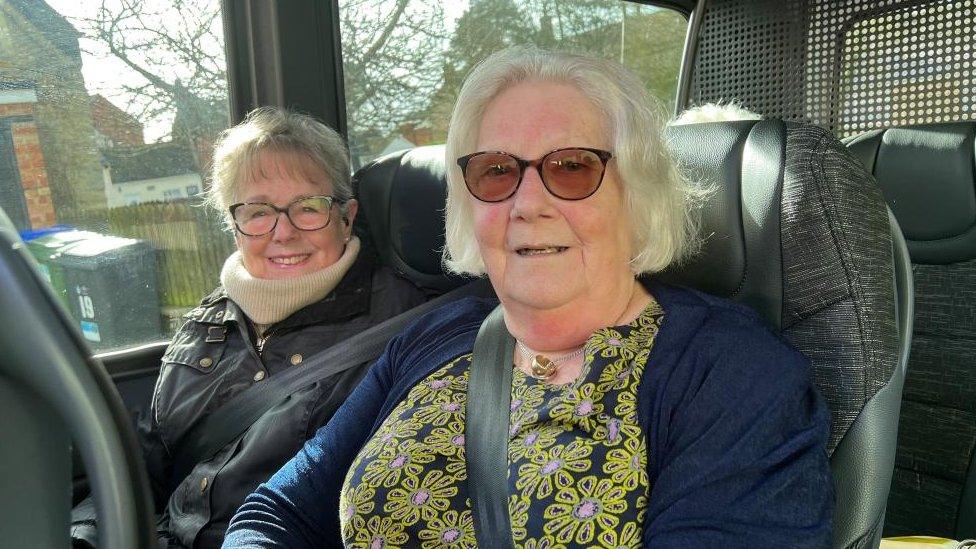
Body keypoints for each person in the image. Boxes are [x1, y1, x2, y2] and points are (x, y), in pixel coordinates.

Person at [222, 49, 833, 547]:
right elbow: (277, 513)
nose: (528, 203)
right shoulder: (437, 334)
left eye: (571, 168)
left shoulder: (733, 373)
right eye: (495, 171)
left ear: (636, 191)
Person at [71, 107, 427, 548]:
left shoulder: (404, 330)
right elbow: (150, 457)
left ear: (347, 215)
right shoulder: (210, 318)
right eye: (258, 212)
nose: (283, 232)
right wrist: (86, 532)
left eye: (308, 207)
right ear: (234, 225)